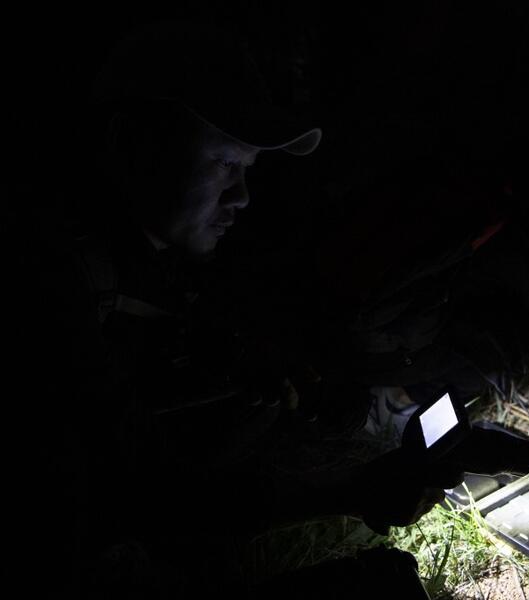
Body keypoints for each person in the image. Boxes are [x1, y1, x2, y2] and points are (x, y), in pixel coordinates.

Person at [10, 20, 462, 599]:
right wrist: (341, 492)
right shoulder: (48, 291)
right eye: (224, 162)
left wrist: (349, 490)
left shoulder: (150, 265)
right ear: (132, 144)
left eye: (248, 169)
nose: (242, 196)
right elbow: (142, 503)